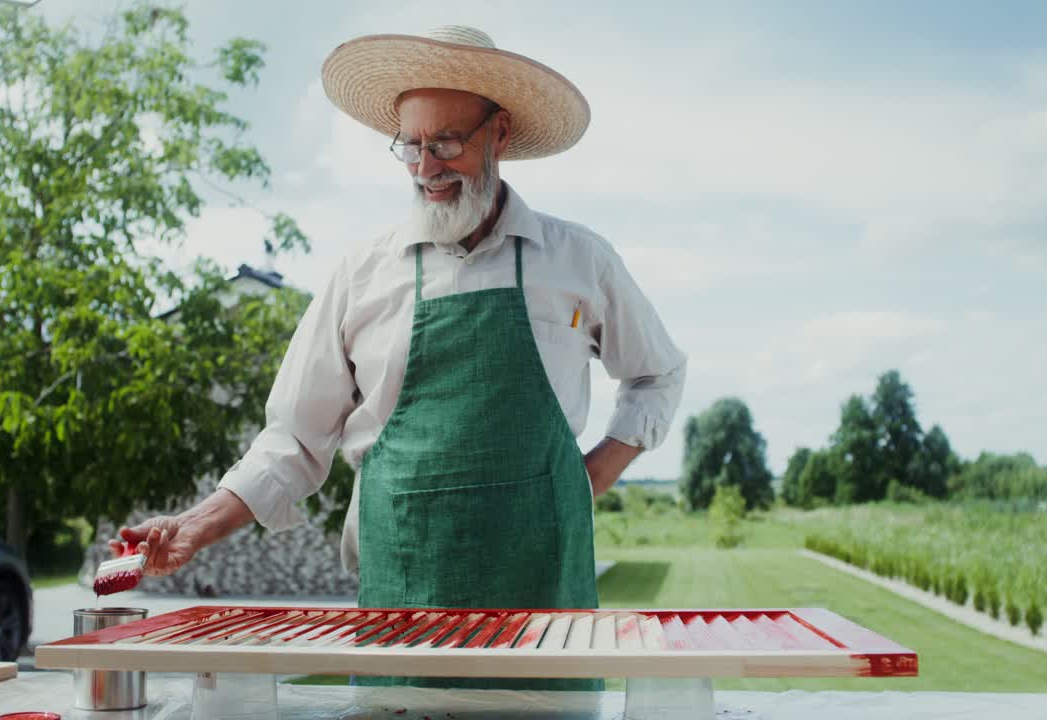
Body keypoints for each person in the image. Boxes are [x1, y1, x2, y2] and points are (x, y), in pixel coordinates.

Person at [109, 25, 687, 690]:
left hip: (545, 611)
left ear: (498, 133)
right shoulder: (362, 275)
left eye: (446, 141)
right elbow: (294, 439)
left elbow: (658, 373)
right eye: (410, 145)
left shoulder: (579, 260)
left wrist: (588, 479)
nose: (426, 167)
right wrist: (195, 526)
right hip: (403, 610)